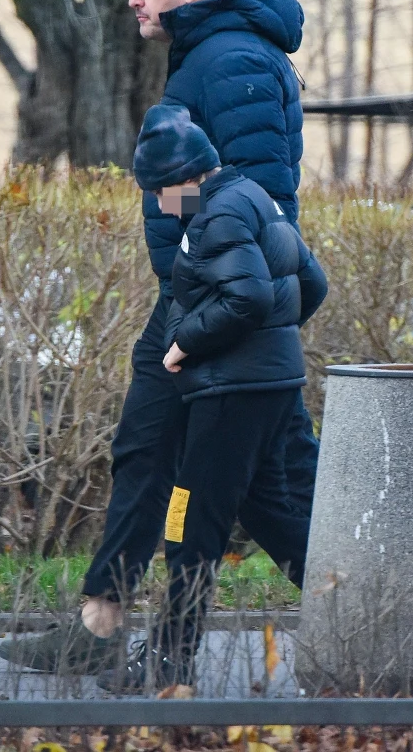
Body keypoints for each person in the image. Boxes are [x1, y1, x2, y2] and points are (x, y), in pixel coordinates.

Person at [0, 0, 325, 675]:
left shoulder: (235, 58)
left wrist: (207, 302)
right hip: (198, 295)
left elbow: (258, 204)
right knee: (147, 452)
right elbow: (200, 192)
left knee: (270, 492)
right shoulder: (208, 51)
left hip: (224, 305)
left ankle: (375, 616)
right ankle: (100, 622)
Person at [94, 105, 320, 692]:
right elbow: (310, 282)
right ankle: (371, 617)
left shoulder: (211, 216)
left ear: (182, 178)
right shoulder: (253, 197)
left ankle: (170, 665)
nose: (160, 205)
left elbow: (244, 297)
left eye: (158, 192)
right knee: (275, 514)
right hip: (272, 389)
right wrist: (275, 346)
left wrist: (183, 347)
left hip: (229, 397)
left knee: (188, 524)